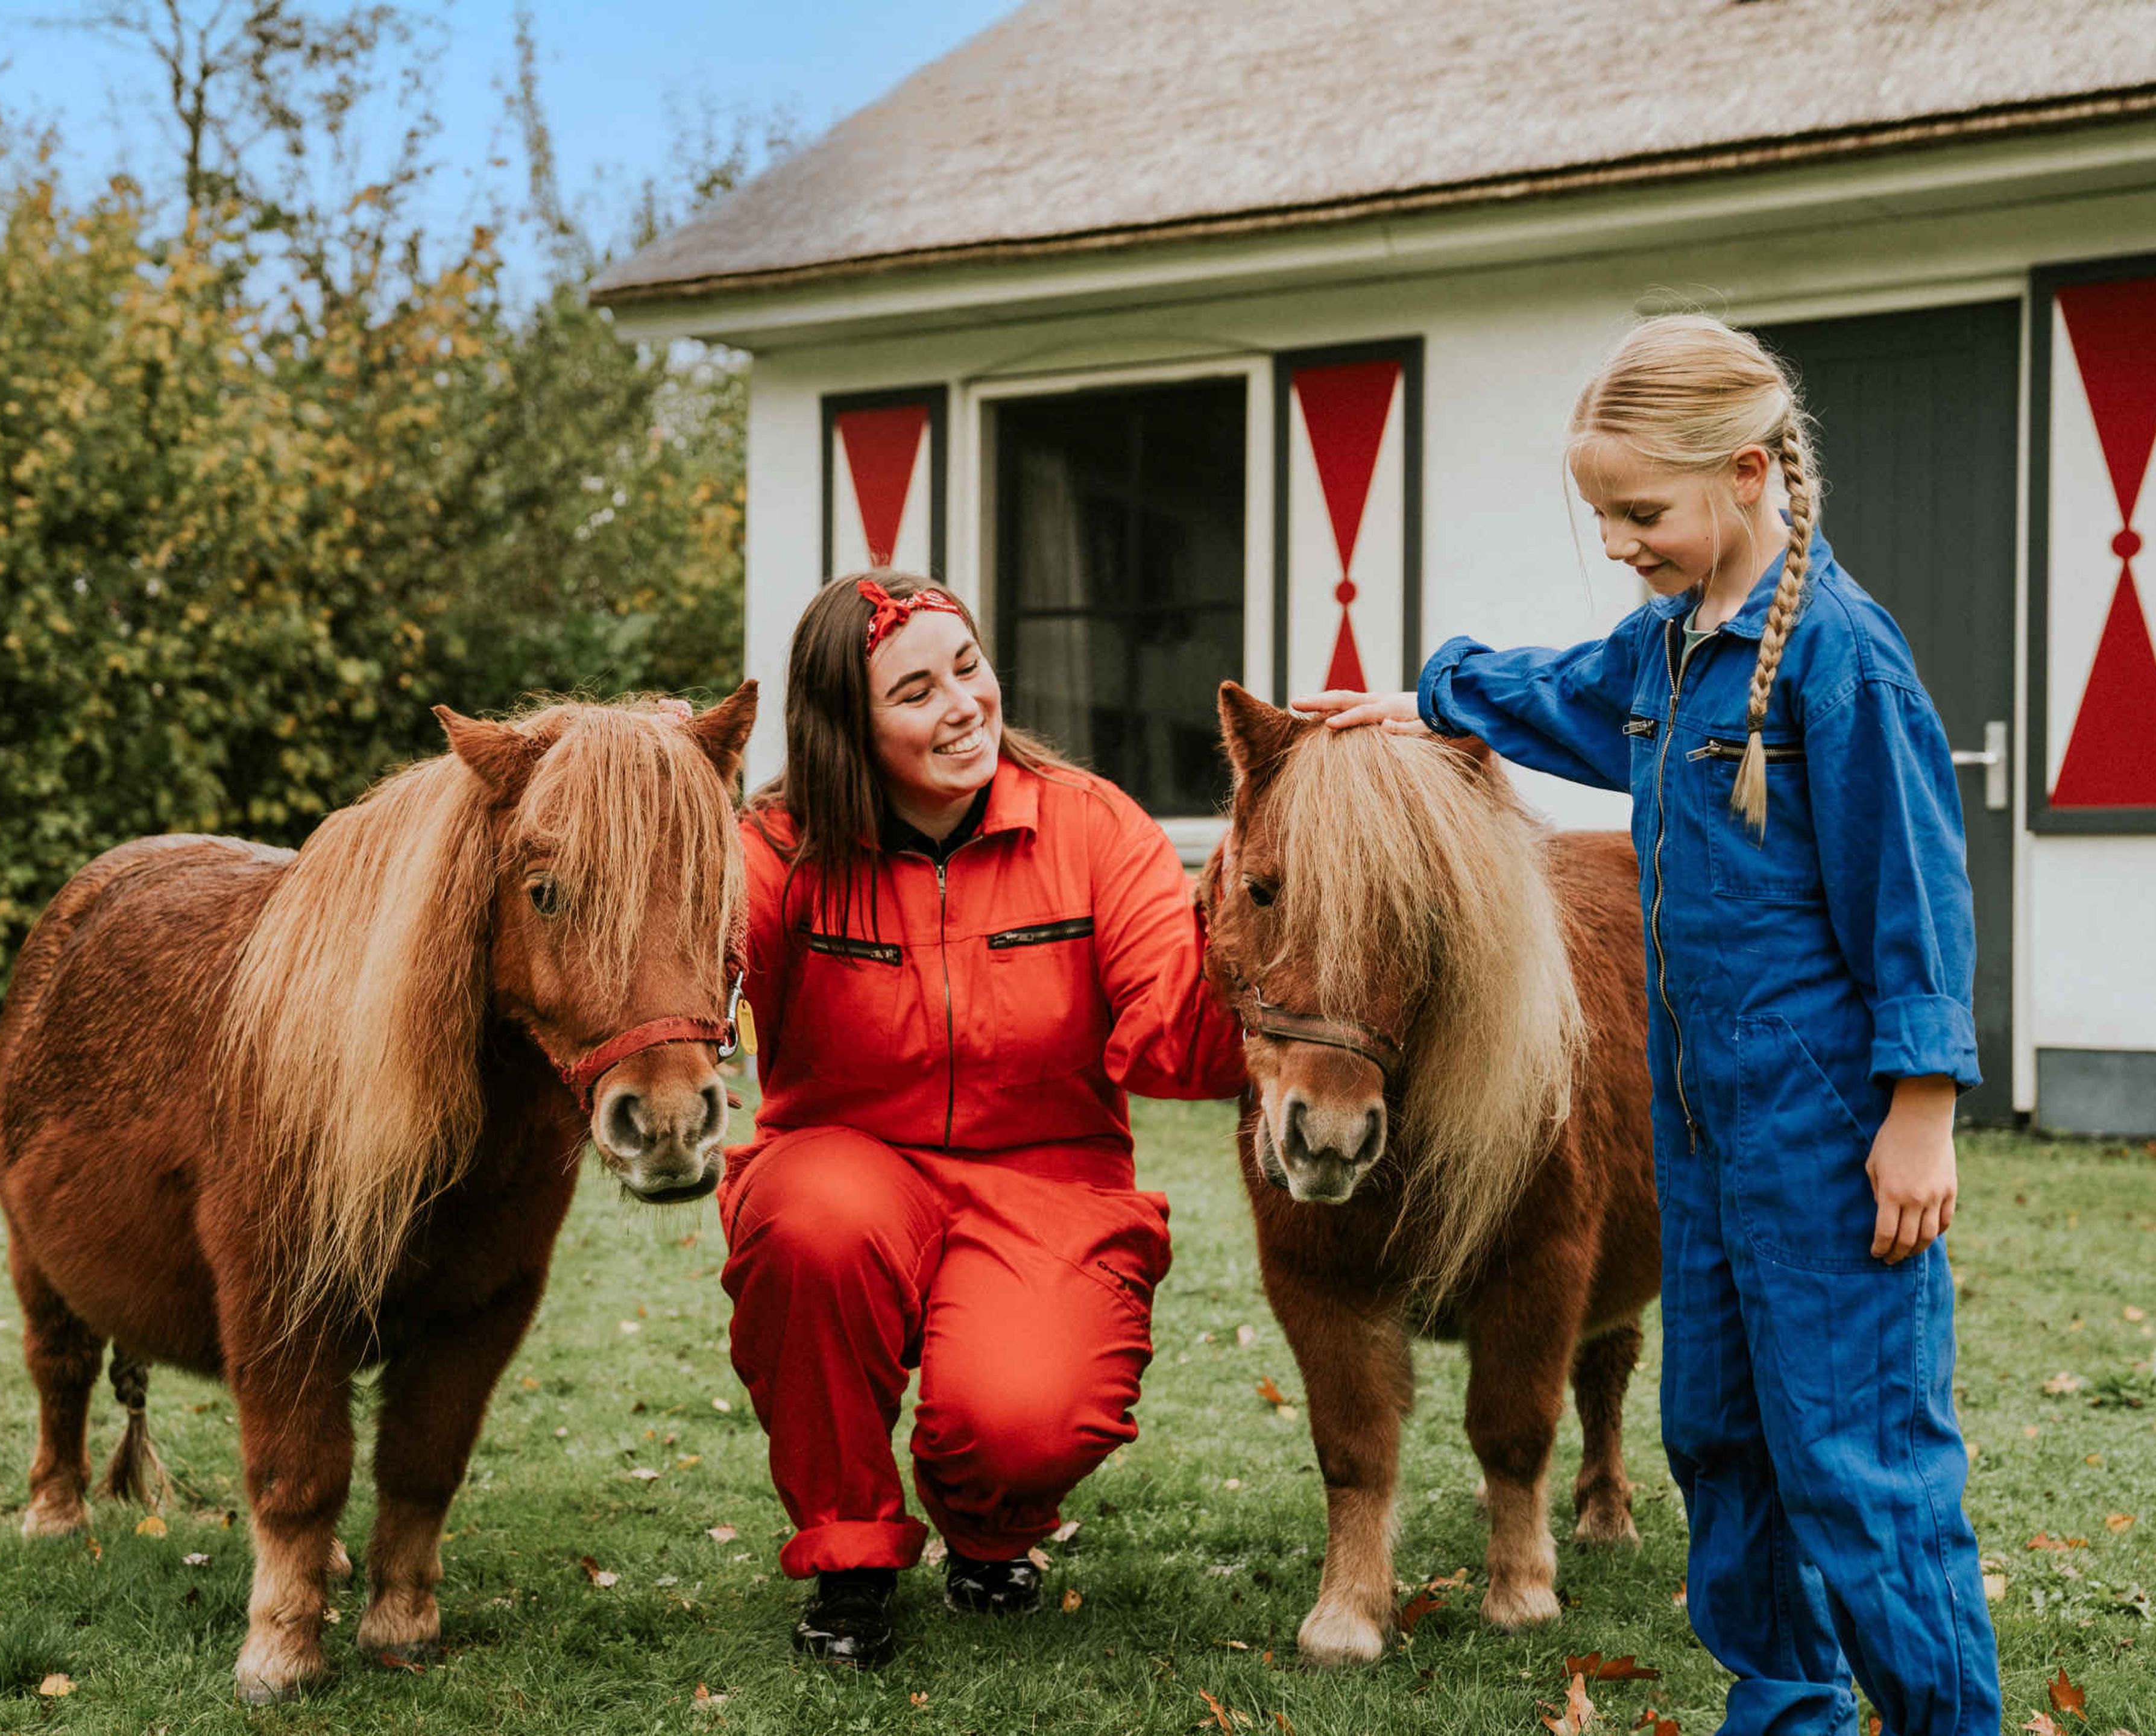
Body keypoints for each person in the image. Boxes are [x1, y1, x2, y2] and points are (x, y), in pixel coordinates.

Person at [1300, 315, 1997, 1734]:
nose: (1619, 541)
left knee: (1855, 1460)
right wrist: (1416, 701)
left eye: (1642, 512)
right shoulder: (1672, 651)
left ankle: (1944, 1720)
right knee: (1719, 1439)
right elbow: (1557, 692)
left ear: (1748, 473)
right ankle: (1786, 1708)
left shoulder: (1841, 663)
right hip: (1698, 1128)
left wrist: (1919, 1111)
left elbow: (1914, 891)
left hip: (1825, 1138)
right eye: (1602, 514)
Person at [720, 571, 1247, 1666]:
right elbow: (700, 973)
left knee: (1026, 1417)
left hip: (1049, 1178)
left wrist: (1266, 972)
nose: (963, 705)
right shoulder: (777, 849)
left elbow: (1172, 1032)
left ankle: (987, 1527)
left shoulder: (1094, 828)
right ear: (846, 729)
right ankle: (851, 1551)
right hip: (847, 1162)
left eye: (970, 668)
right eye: (915, 692)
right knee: (811, 1225)